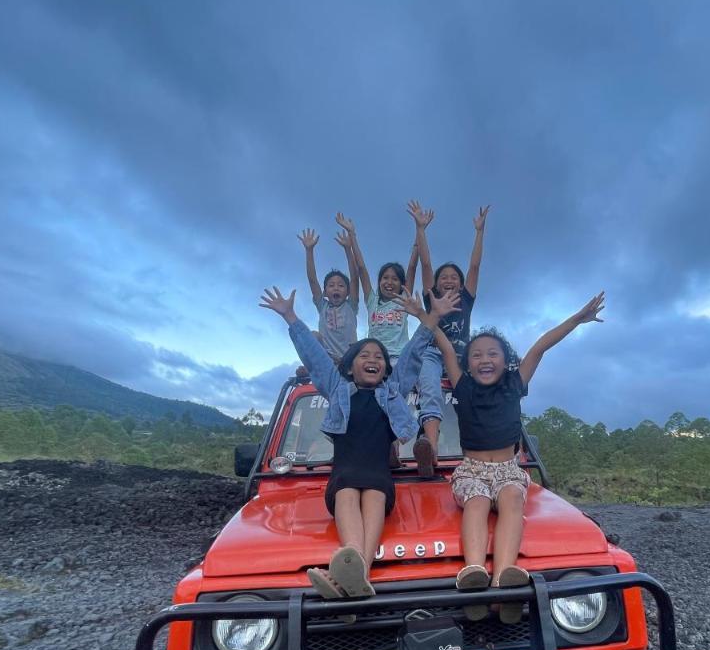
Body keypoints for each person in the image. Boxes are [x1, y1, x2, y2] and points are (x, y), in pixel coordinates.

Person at [259, 284, 460, 607]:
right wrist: (291, 317)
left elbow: (411, 355)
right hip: (344, 477)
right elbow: (314, 356)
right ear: (350, 366)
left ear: (385, 369)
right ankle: (357, 571)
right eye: (364, 355)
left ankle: (350, 575)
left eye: (378, 357)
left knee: (376, 494)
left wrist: (433, 316)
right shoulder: (337, 388)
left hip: (380, 476)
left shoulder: (392, 391)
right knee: (349, 492)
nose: (372, 360)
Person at [441, 293, 606, 622]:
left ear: (506, 360)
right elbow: (445, 346)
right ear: (467, 364)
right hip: (472, 469)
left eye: (492, 353)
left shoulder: (515, 383)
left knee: (513, 499)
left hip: (508, 469)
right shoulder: (462, 386)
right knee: (475, 502)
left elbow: (541, 345)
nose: (484, 359)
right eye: (476, 355)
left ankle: (504, 583)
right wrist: (427, 318)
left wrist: (576, 319)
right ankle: (474, 577)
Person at [410, 201, 490, 476]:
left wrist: (479, 232)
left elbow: (475, 265)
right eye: (443, 277)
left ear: (460, 283)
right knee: (430, 388)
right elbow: (426, 262)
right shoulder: (431, 298)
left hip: (460, 358)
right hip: (432, 353)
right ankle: (430, 449)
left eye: (454, 277)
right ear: (436, 284)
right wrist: (421, 229)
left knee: (472, 396)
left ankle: (480, 451)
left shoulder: (466, 300)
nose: (448, 280)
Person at [334, 211, 420, 358]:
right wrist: (352, 234)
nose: (389, 282)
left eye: (395, 279)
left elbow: (412, 266)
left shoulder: (404, 300)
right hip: (376, 357)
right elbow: (361, 268)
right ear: (379, 282)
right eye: (385, 278)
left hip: (399, 357)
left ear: (402, 284)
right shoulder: (372, 301)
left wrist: (420, 229)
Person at [299, 227, 359, 362]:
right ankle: (310, 367)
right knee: (313, 335)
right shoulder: (323, 306)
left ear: (348, 292)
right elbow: (312, 279)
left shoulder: (351, 305)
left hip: (349, 359)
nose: (336, 288)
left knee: (363, 346)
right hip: (328, 359)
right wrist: (309, 251)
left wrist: (348, 250)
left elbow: (355, 278)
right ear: (325, 292)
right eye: (331, 285)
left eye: (341, 285)